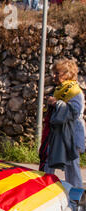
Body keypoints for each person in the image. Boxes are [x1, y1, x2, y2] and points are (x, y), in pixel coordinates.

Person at [39, 58, 85, 188]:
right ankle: (44, 188)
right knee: (47, 159)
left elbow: (75, 112)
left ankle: (75, 196)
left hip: (72, 134)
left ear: (67, 74)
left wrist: (56, 103)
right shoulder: (61, 90)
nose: (53, 76)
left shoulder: (74, 91)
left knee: (72, 165)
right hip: (58, 133)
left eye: (57, 73)